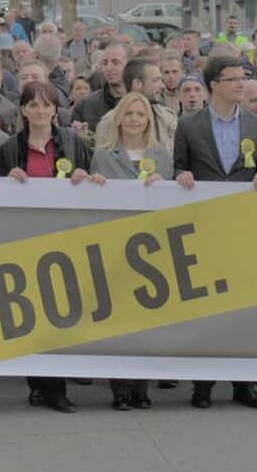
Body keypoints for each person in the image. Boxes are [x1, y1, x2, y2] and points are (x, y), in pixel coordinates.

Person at [173, 55, 257, 410]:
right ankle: (203, 383)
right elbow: (179, 166)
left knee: (244, 306)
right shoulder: (189, 125)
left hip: (244, 225)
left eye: (242, 77)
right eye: (233, 79)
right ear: (214, 85)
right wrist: (181, 176)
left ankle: (243, 382)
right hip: (205, 225)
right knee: (208, 308)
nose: (240, 84)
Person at [0, 81, 92, 414]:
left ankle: (52, 387)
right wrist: (4, 179)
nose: (40, 111)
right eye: (33, 105)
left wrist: (85, 176)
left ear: (56, 110)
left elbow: (95, 180)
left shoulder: (74, 143)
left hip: (65, 240)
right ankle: (40, 383)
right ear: (23, 110)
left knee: (60, 314)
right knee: (31, 316)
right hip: (24, 240)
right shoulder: (10, 148)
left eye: (46, 105)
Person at [89, 91, 174, 410]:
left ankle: (142, 386)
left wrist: (168, 184)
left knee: (147, 319)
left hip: (151, 247)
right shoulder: (103, 155)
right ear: (119, 119)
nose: (135, 119)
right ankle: (120, 388)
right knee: (119, 320)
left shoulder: (162, 156)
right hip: (116, 244)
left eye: (140, 114)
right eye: (129, 114)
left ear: (148, 120)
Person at [94, 58, 177, 153]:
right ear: (137, 84)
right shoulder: (109, 123)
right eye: (156, 80)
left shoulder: (168, 119)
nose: (162, 86)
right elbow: (101, 160)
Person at [73, 41, 129, 130]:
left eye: (115, 62)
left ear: (129, 65)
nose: (109, 68)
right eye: (105, 63)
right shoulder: (85, 106)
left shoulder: (143, 103)